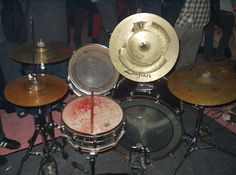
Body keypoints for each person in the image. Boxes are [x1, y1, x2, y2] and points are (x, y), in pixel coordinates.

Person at [174, 0, 211, 70]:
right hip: (178, 13)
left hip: (200, 15)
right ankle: (152, 77)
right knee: (162, 51)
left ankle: (180, 79)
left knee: (188, 59)